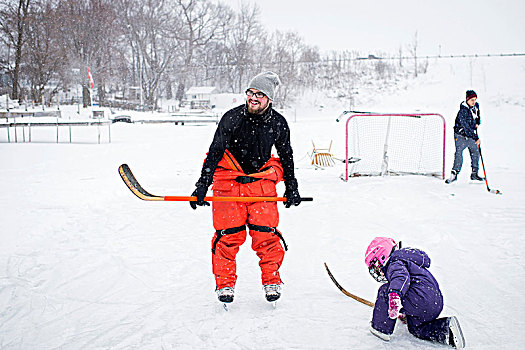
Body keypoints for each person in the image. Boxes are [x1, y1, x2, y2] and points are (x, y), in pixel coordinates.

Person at [189, 71, 302, 304]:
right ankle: (225, 285)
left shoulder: (278, 123)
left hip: (261, 184)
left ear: (269, 98)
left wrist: (291, 187)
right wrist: (202, 186)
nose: (253, 97)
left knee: (267, 235)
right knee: (227, 237)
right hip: (228, 184)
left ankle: (271, 280)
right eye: (250, 92)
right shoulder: (231, 118)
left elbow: (287, 156)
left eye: (259, 94)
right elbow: (215, 152)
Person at [365, 237, 465, 349]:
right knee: (416, 329)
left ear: (382, 257)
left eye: (375, 266)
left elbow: (401, 278)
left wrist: (394, 296)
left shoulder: (394, 263)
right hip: (434, 303)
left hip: (420, 300)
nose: (377, 272)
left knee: (385, 291)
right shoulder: (408, 261)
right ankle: (445, 330)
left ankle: (380, 329)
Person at [445, 90, 484, 183]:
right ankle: (454, 174)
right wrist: (476, 138)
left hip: (470, 135)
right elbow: (466, 128)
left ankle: (474, 173)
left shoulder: (476, 106)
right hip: (460, 135)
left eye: (475, 100)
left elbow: (477, 117)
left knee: (475, 152)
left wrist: (477, 123)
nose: (474, 102)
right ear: (467, 100)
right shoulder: (463, 111)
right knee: (459, 153)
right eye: (471, 100)